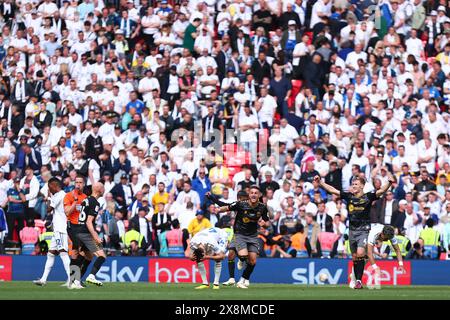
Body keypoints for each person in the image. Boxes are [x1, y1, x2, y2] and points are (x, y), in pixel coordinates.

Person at [314, 173, 395, 289]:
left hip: (364, 230)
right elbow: (333, 191)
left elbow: (381, 191)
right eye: (353, 184)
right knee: (356, 257)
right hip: (352, 230)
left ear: (362, 186)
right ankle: (358, 280)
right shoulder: (349, 196)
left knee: (361, 253)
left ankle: (358, 281)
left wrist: (390, 183)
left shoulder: (369, 196)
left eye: (356, 184)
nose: (354, 186)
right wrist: (321, 182)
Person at [217, 185, 270, 289]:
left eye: (256, 193)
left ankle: (242, 281)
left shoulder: (263, 207)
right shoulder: (241, 204)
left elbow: (267, 222)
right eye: (252, 193)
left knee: (253, 261)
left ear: (258, 195)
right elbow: (227, 207)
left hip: (253, 235)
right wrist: (218, 210)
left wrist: (263, 224)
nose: (254, 194)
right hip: (239, 234)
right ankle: (241, 260)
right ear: (249, 195)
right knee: (243, 256)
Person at [33, 178, 71, 288]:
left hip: (61, 229)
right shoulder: (59, 195)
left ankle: (71, 280)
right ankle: (43, 279)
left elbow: (48, 209)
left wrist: (49, 197)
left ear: (54, 186)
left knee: (63, 253)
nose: (49, 189)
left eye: (49, 187)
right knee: (50, 254)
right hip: (57, 230)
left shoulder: (60, 195)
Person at [75, 182, 106, 286]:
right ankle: (91, 276)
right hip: (86, 233)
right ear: (99, 190)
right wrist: (96, 236)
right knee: (102, 256)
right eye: (103, 188)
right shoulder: (95, 203)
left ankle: (76, 281)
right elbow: (89, 221)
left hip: (79, 231)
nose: (104, 190)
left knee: (88, 257)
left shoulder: (86, 200)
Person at [63, 175, 88, 289]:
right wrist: (75, 201)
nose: (78, 184)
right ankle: (75, 281)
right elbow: (67, 212)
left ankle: (73, 280)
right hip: (72, 226)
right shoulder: (68, 196)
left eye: (80, 182)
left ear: (84, 184)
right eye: (76, 182)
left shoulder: (86, 198)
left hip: (82, 227)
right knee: (79, 250)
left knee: (79, 253)